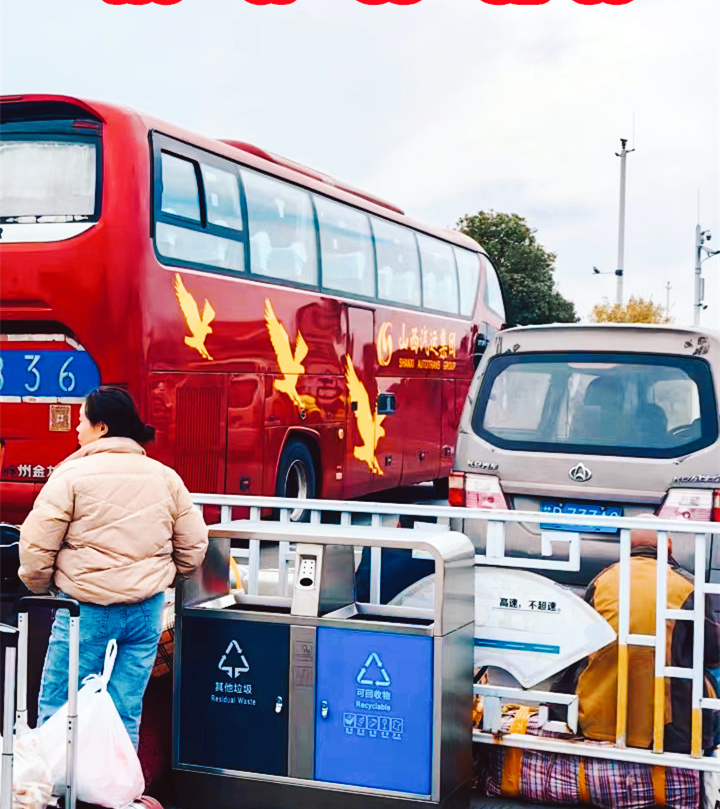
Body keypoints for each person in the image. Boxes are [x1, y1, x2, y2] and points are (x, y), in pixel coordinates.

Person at [19, 386, 208, 748]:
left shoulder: (71, 475)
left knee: (60, 707)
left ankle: (59, 794)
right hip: (146, 612)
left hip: (84, 612)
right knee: (125, 711)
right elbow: (194, 545)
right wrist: (166, 579)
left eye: (81, 421)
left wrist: (43, 588)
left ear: (101, 427)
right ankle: (116, 794)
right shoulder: (165, 477)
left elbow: (35, 547)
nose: (76, 430)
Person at [556, 518, 720, 753]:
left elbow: (578, 643)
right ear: (669, 545)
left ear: (626, 547)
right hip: (670, 733)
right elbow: (712, 654)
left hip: (594, 721)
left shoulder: (603, 581)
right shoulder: (687, 586)